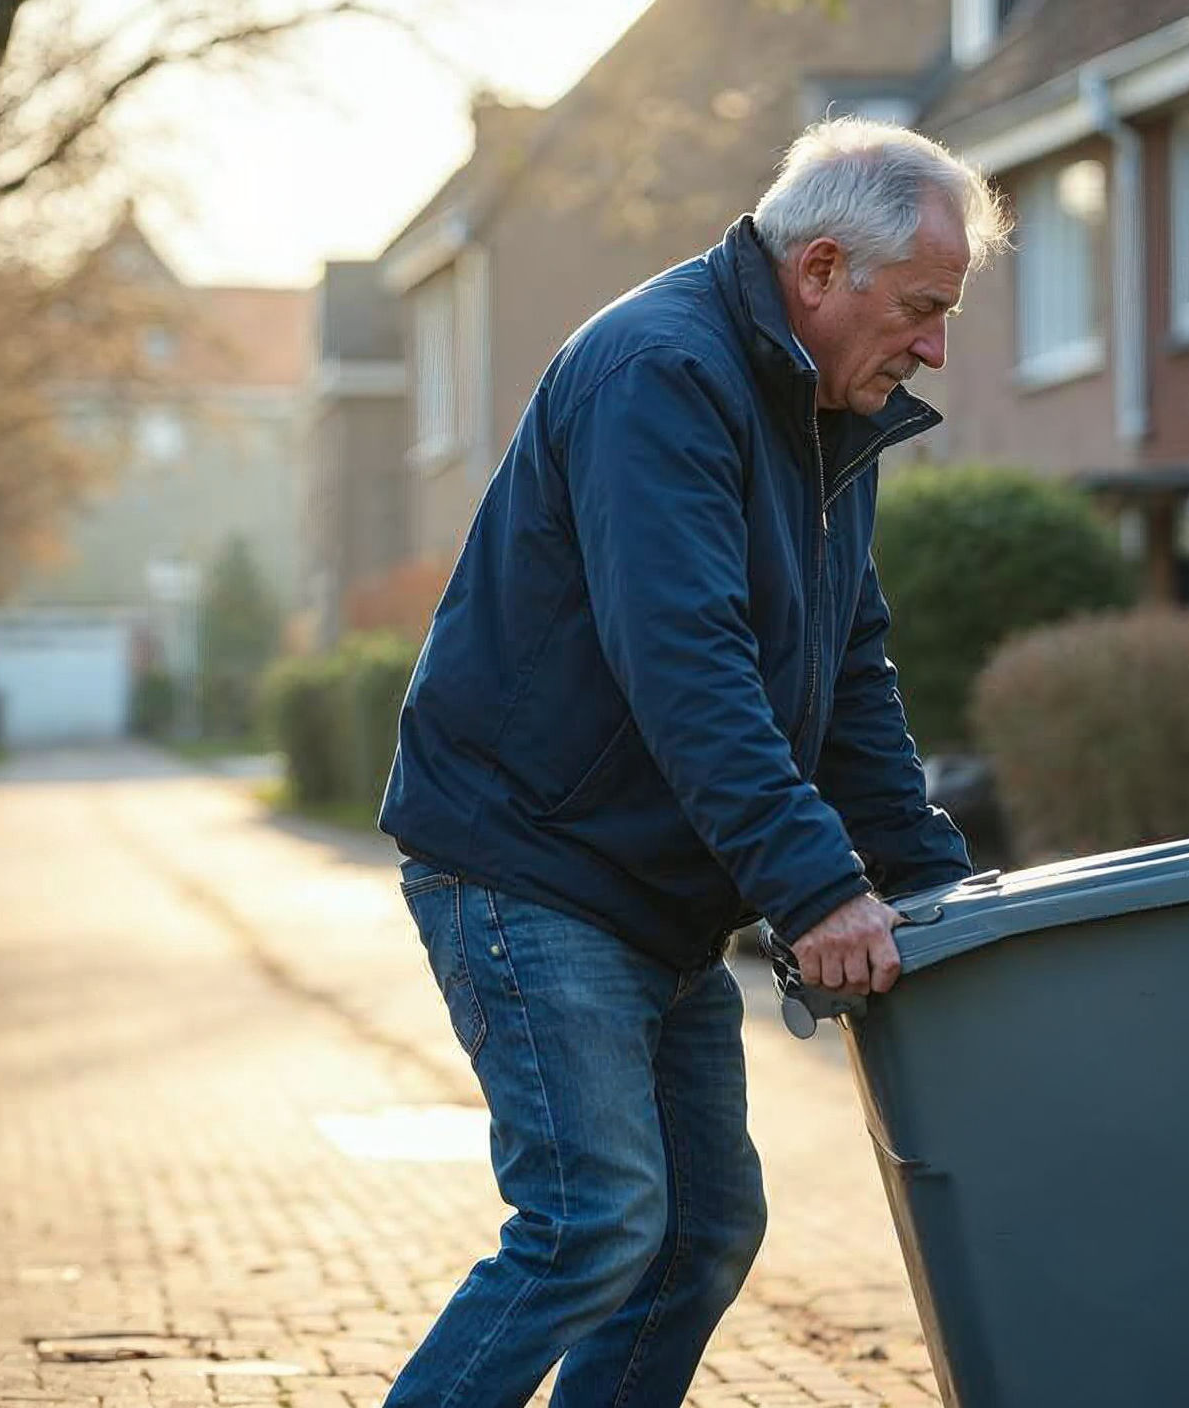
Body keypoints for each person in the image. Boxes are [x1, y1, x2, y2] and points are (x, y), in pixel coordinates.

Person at [374, 117, 1010, 1407]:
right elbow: (687, 665)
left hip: (643, 889)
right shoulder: (658, 373)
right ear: (821, 270)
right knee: (593, 1222)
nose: (938, 345)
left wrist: (932, 884)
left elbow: (845, 677)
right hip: (530, 865)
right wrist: (818, 887)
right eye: (925, 307)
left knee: (702, 1231)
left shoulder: (827, 408)